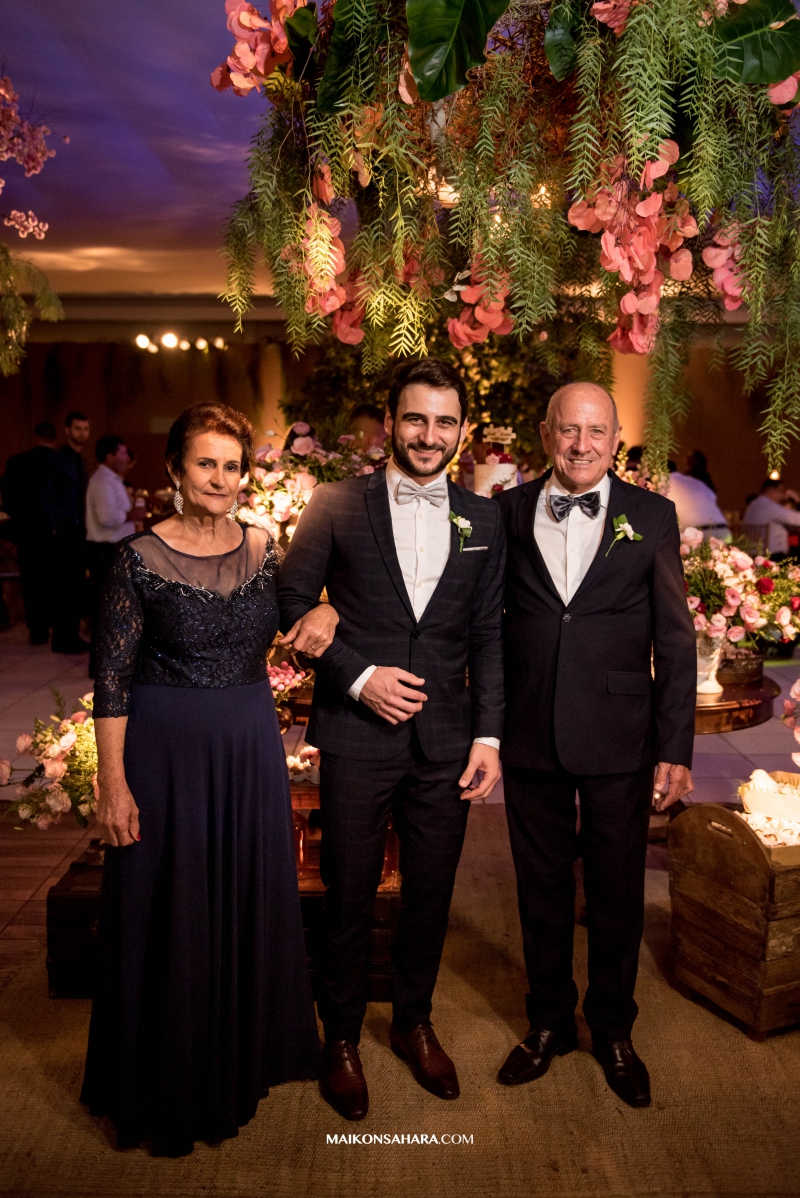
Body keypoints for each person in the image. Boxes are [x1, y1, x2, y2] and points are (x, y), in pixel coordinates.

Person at [81, 401, 336, 1155]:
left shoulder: (264, 547)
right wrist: (113, 785)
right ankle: (161, 1083)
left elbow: (303, 613)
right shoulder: (135, 559)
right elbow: (111, 680)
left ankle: (237, 1061)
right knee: (168, 907)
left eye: (232, 466)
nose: (221, 479)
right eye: (206, 464)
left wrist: (329, 610)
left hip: (248, 749)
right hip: (165, 754)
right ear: (175, 469)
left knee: (244, 895)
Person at [278, 357, 505, 1122]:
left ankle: (413, 1021)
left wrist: (488, 735)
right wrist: (357, 675)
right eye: (415, 418)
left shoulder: (484, 518)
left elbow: (488, 635)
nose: (429, 435)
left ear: (462, 430)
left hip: (446, 742)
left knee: (430, 895)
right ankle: (340, 1036)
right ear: (389, 423)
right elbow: (289, 597)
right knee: (347, 893)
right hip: (355, 734)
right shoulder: (336, 503)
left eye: (444, 422)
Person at [494, 382, 696, 1109]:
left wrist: (675, 747)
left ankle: (613, 1029)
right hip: (530, 729)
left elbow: (675, 637)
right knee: (539, 888)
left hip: (621, 734)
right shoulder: (506, 511)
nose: (581, 445)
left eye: (596, 431)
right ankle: (548, 1021)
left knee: (616, 893)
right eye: (568, 430)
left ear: (615, 440)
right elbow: (484, 620)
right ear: (546, 434)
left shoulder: (652, 515)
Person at [0, 422, 57, 644]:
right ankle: (55, 623)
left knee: (32, 579)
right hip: (53, 528)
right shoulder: (58, 462)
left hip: (26, 528)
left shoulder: (17, 462)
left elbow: (8, 496)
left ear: (35, 437)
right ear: (54, 439)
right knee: (54, 578)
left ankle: (37, 629)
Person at [86, 436, 137, 675]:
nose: (127, 458)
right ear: (109, 457)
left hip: (112, 549)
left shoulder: (112, 479)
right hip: (105, 550)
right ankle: (100, 665)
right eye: (123, 454)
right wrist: (131, 514)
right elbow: (106, 518)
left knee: (114, 608)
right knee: (106, 608)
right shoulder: (103, 481)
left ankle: (110, 661)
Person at [48, 410, 91, 653]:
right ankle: (63, 638)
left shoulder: (80, 460)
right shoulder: (58, 459)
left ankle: (70, 635)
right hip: (65, 527)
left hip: (77, 527)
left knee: (75, 584)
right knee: (64, 584)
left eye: (85, 429)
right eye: (77, 429)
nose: (82, 434)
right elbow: (46, 493)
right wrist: (54, 525)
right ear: (67, 430)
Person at [667, 463, 729, 538]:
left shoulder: (661, 484)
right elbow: (713, 497)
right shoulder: (694, 481)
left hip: (696, 535)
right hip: (723, 530)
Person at [743, 478, 800, 557]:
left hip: (753, 552)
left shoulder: (754, 504)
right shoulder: (769, 506)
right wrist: (797, 499)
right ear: (771, 490)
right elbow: (798, 520)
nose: (783, 496)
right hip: (772, 556)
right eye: (781, 491)